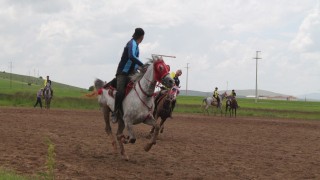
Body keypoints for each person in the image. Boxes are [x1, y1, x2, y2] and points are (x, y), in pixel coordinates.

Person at [112, 28, 145, 123]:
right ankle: (115, 112)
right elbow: (131, 56)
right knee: (121, 92)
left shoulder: (136, 45)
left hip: (132, 73)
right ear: (142, 37)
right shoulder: (132, 43)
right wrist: (142, 65)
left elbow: (134, 62)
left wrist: (141, 68)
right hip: (123, 73)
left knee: (141, 87)